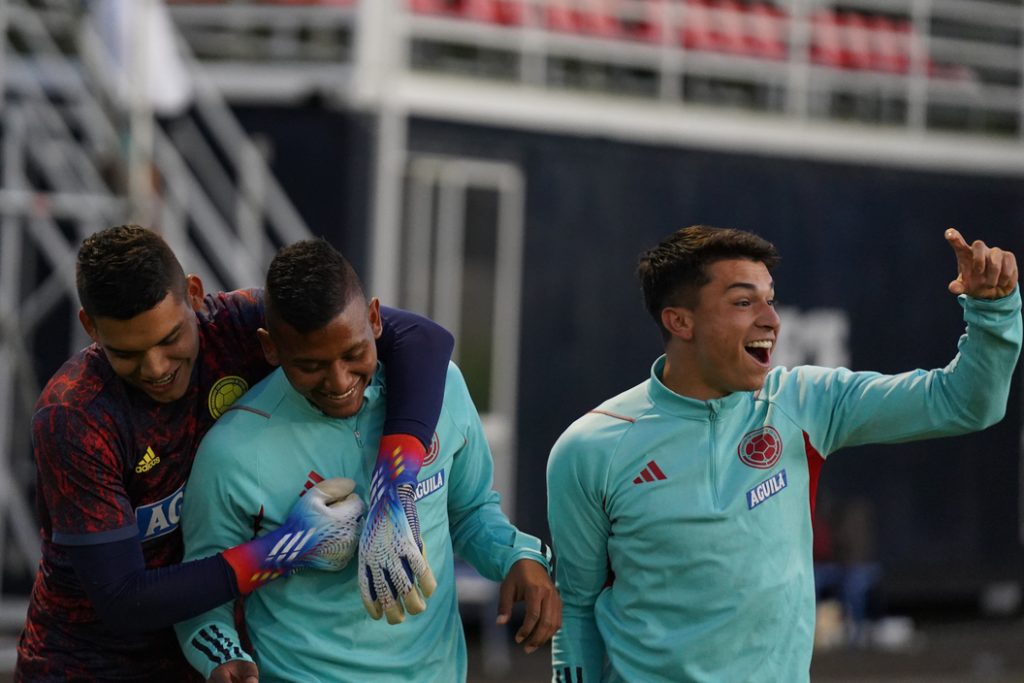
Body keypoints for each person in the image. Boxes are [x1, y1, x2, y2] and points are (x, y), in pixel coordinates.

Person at [546, 225, 1021, 682]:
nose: (771, 320)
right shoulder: (590, 448)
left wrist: (993, 312)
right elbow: (577, 609)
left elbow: (964, 403)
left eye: (769, 300)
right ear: (679, 321)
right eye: (743, 302)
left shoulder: (805, 401)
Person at [16, 225, 454, 682]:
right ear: (90, 327)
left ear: (195, 294)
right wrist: (286, 550)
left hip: (218, 653)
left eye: (169, 340)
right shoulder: (75, 415)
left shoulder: (235, 326)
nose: (156, 367)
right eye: (126, 352)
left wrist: (393, 484)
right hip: (87, 664)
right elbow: (124, 600)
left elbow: (424, 339)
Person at [174, 238, 561, 682]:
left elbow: (471, 512)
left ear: (375, 319)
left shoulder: (444, 389)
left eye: (354, 353)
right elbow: (202, 594)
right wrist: (223, 656)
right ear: (271, 349)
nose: (339, 380)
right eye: (310, 365)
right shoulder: (232, 450)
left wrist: (520, 556)